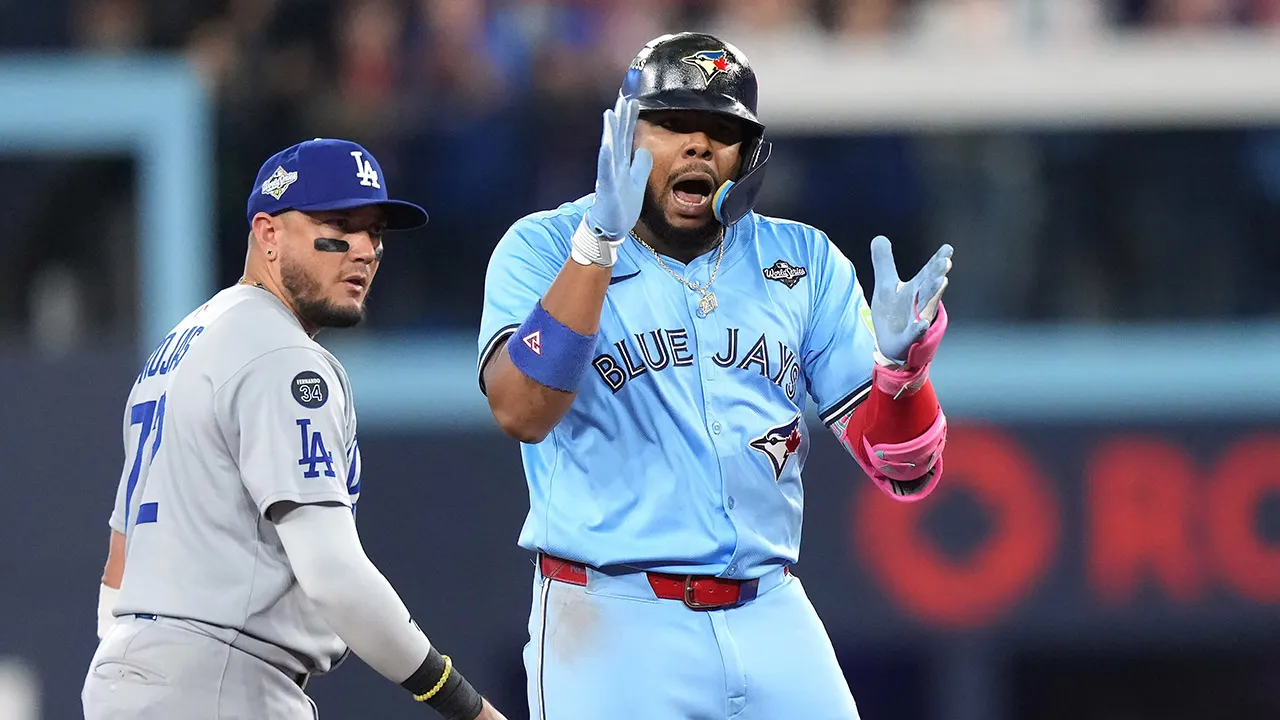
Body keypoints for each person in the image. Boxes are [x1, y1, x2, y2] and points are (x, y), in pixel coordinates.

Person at [477, 33, 953, 719]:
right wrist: (595, 250)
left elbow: (903, 471)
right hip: (612, 616)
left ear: (748, 155)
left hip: (769, 606)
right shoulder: (543, 245)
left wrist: (901, 373)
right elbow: (521, 411)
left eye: (721, 130)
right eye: (672, 124)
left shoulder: (803, 260)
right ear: (625, 134)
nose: (698, 145)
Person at [83, 138, 507, 720]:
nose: (365, 250)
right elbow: (333, 573)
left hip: (135, 677)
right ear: (269, 233)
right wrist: (464, 705)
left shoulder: (181, 345)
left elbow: (120, 557)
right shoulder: (280, 354)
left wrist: (136, 667)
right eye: (338, 223)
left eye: (375, 232)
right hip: (218, 681)